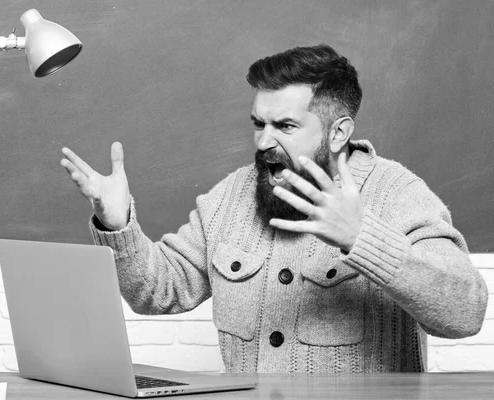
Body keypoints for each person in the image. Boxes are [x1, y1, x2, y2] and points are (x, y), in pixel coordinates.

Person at [60, 44, 488, 373]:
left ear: (338, 132)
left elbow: (465, 313)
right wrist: (117, 225)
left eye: (284, 126)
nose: (264, 142)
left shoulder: (398, 194)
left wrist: (364, 239)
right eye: (258, 124)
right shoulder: (232, 195)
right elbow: (158, 291)